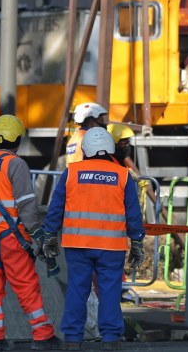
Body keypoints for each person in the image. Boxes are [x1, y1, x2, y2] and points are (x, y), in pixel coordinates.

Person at [41, 127, 145, 351]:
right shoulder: (123, 175)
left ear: (85, 149)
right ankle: (110, 339)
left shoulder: (72, 172)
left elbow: (56, 207)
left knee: (77, 290)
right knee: (109, 291)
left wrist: (49, 234)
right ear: (109, 148)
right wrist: (137, 241)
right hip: (111, 246)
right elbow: (133, 213)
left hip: (77, 245)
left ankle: (73, 339)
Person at [0, 115, 61, 351]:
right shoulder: (16, 164)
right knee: (27, 286)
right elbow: (26, 204)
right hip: (11, 239)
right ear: (18, 139)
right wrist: (37, 232)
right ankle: (42, 335)